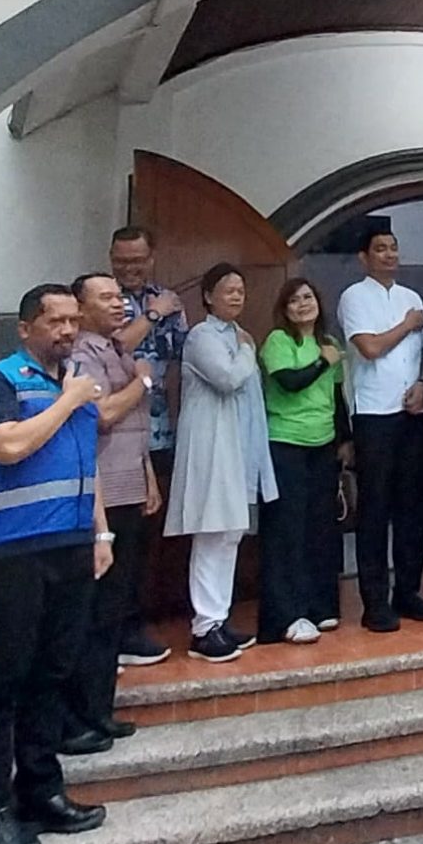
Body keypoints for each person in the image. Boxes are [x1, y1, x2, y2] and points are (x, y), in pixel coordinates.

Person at [0, 284, 139, 844]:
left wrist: (102, 534)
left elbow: (83, 465)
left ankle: (41, 791)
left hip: (71, 545)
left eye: (70, 321)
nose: (65, 331)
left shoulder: (76, 384)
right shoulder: (1, 381)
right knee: (3, 679)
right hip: (13, 549)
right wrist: (66, 402)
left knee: (52, 673)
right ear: (26, 327)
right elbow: (6, 447)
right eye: (53, 321)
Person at [60, 272, 159, 757]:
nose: (120, 303)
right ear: (80, 308)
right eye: (107, 297)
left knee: (114, 608)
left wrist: (148, 476)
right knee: (95, 611)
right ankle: (78, 715)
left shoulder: (114, 349)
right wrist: (141, 381)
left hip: (128, 487)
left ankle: (99, 710)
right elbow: (102, 416)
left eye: (120, 296)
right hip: (101, 498)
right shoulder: (84, 354)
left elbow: (132, 429)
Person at [167, 264, 279, 660]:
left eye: (241, 290)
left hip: (237, 444)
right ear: (208, 296)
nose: (236, 296)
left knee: (230, 533)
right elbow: (227, 377)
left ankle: (218, 616)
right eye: (227, 289)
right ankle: (203, 626)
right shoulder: (201, 335)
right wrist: (249, 348)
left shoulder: (234, 334)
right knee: (212, 533)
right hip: (212, 443)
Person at [337, 222, 423, 633]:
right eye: (381, 248)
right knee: (375, 510)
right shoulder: (354, 296)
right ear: (364, 257)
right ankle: (374, 601)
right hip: (374, 415)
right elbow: (371, 347)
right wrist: (408, 324)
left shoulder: (411, 296)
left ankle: (408, 591)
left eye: (394, 248)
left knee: (413, 509)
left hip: (412, 414)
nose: (390, 255)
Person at [107, 226, 186, 668]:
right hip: (112, 435)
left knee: (144, 538)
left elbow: (181, 354)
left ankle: (137, 623)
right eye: (122, 260)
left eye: (137, 260)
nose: (130, 268)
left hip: (158, 432)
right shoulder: (101, 297)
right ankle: (112, 630)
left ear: (151, 257)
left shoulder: (169, 298)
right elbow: (115, 347)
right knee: (113, 537)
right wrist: (152, 316)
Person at [258, 278, 348, 645]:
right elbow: (291, 382)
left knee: (320, 529)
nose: (302, 304)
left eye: (308, 297)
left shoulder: (330, 344)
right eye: (293, 300)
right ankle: (286, 614)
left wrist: (346, 440)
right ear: (284, 308)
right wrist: (323, 363)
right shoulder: (278, 341)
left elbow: (337, 396)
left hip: (323, 444)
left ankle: (320, 605)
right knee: (287, 531)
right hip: (285, 444)